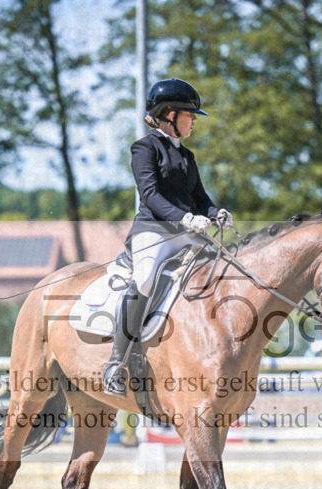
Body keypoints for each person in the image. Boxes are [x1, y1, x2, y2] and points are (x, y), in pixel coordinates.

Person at [102, 78, 232, 396]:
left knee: (224, 269)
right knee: (145, 279)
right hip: (153, 232)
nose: (194, 122)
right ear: (170, 115)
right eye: (190, 116)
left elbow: (200, 198)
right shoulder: (144, 148)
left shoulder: (187, 156)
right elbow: (150, 195)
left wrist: (216, 213)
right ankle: (116, 364)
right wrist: (184, 217)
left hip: (186, 234)